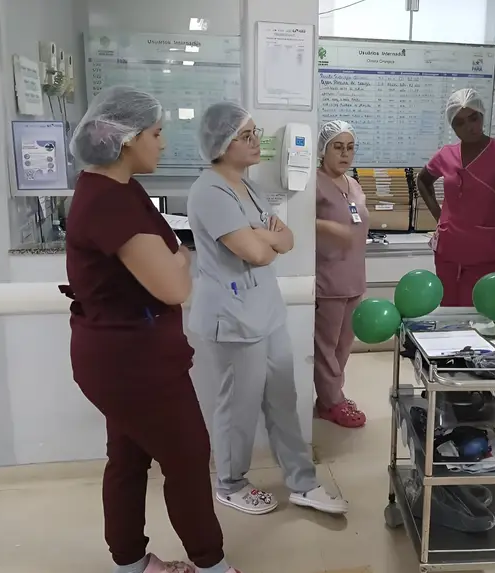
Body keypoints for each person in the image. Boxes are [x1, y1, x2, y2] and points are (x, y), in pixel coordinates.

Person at [63, 86, 239, 573]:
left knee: (128, 456)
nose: (163, 143)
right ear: (126, 139)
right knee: (187, 457)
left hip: (124, 357)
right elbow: (175, 285)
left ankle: (131, 563)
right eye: (156, 133)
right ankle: (211, 565)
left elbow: (170, 261)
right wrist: (179, 259)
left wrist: (175, 258)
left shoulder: (118, 188)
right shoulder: (109, 201)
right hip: (132, 365)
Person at [187, 101, 349, 517]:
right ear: (221, 144)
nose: (256, 141)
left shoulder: (250, 187)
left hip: (266, 310)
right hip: (232, 317)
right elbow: (258, 253)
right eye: (245, 135)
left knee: (283, 399)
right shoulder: (209, 191)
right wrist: (266, 238)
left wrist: (264, 237)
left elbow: (288, 239)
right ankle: (230, 483)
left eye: (255, 132)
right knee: (237, 407)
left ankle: (302, 482)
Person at [416, 88, 495, 306]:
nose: (469, 127)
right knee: (449, 312)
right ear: (452, 127)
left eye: (473, 118)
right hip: (448, 251)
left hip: (487, 253)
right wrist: (439, 217)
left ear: (482, 115)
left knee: (483, 313)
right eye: (459, 123)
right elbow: (423, 180)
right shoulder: (446, 154)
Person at [314, 120, 369, 428]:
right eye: (337, 147)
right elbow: (297, 221)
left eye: (350, 147)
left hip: (354, 279)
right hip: (328, 280)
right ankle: (331, 402)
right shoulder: (314, 183)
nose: (345, 154)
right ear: (323, 150)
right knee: (325, 348)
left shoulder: (353, 184)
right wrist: (327, 227)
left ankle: (331, 395)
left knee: (343, 346)